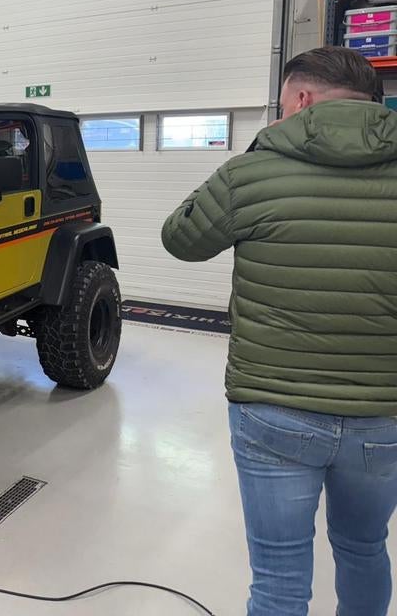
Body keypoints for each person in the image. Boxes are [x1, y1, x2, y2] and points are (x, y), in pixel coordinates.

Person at [161, 46, 397, 616]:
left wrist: (254, 154)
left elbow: (180, 238)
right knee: (365, 547)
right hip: (384, 412)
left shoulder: (256, 168)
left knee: (279, 578)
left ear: (301, 99)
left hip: (274, 408)